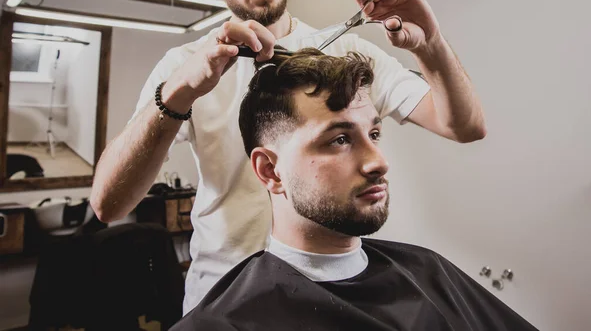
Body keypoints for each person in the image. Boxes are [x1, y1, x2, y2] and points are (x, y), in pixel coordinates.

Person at [90, 0, 486, 314]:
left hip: (334, 296)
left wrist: (431, 44)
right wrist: (179, 92)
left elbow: (464, 126)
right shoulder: (183, 66)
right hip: (223, 302)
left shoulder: (349, 52)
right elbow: (108, 205)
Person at [172, 50, 534, 331]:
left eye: (374, 134)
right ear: (271, 170)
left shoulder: (428, 270)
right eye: (340, 139)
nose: (378, 161)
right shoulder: (223, 322)